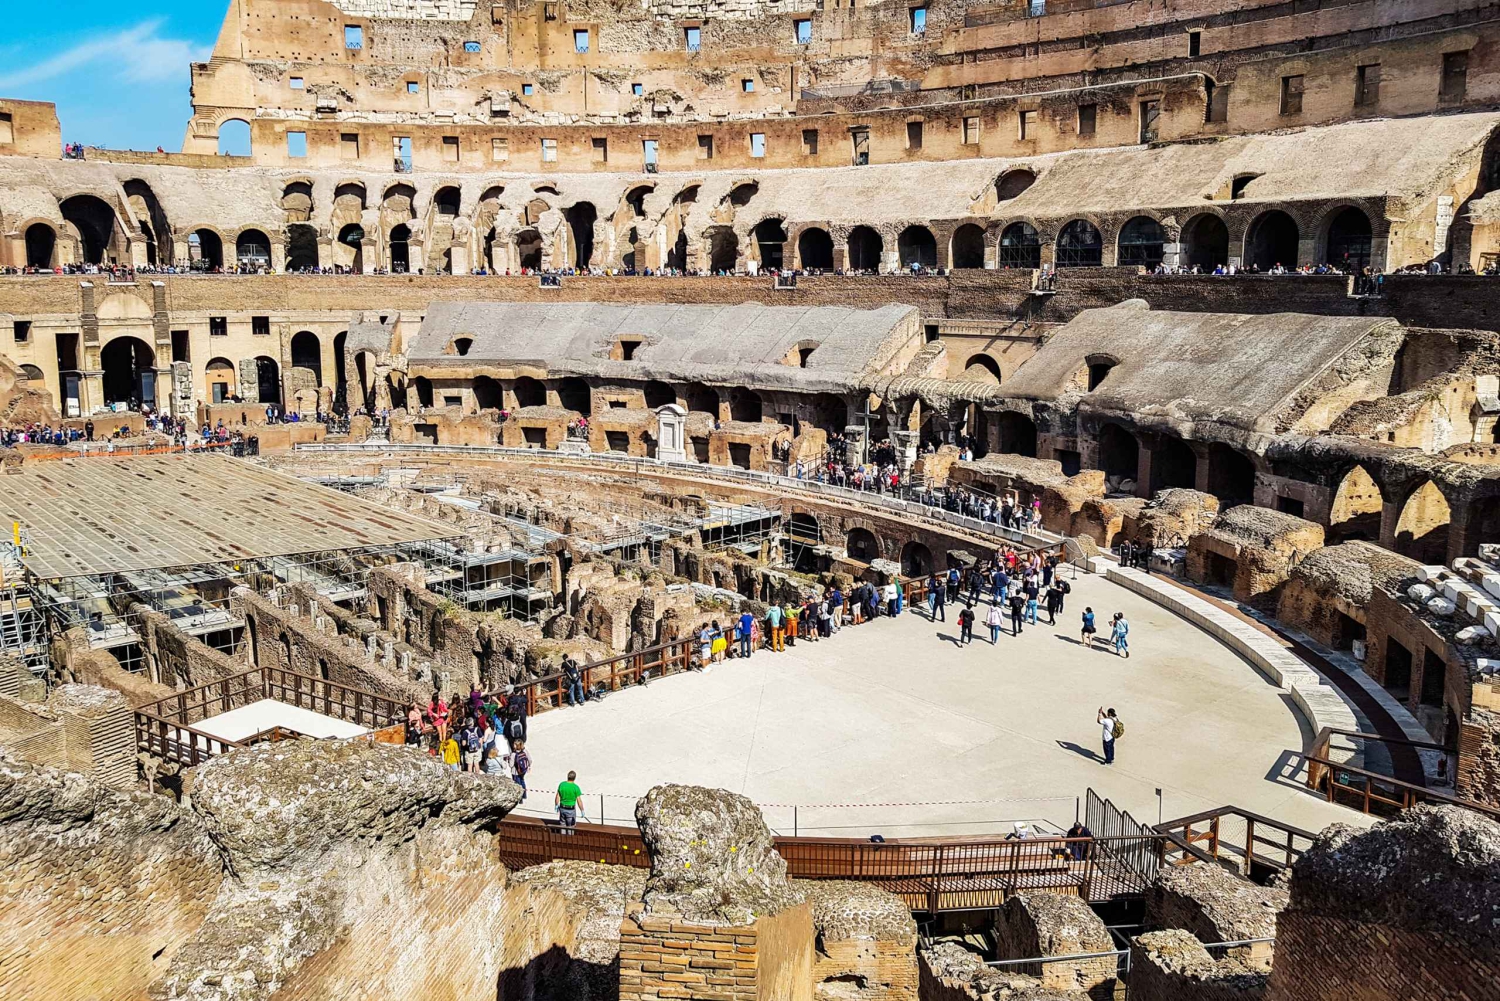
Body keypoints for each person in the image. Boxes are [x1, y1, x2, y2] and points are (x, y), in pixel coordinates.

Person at [556, 770, 583, 834]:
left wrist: (556, 805)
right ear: (574, 778)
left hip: (562, 808)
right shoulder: (576, 787)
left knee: (562, 825)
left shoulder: (562, 785)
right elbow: (579, 801)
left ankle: (562, 840)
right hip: (571, 810)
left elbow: (557, 797)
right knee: (571, 827)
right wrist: (582, 810)